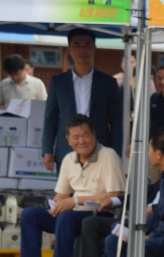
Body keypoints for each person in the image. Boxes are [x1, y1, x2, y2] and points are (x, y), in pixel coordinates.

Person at [2, 116, 125, 257]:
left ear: (94, 134)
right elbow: (62, 195)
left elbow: (115, 194)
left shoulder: (108, 156)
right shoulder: (68, 159)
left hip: (98, 215)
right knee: (31, 214)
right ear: (68, 140)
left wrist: (74, 201)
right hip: (72, 214)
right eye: (75, 137)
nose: (81, 141)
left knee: (66, 217)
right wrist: (57, 205)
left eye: (85, 135)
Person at [42, 28, 123, 170]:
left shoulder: (107, 82)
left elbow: (116, 119)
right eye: (77, 46)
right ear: (69, 50)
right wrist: (47, 150)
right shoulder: (58, 82)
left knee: (98, 191)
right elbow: (51, 118)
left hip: (100, 147)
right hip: (66, 147)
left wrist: (116, 151)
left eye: (87, 45)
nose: (82, 50)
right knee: (66, 192)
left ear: (94, 49)